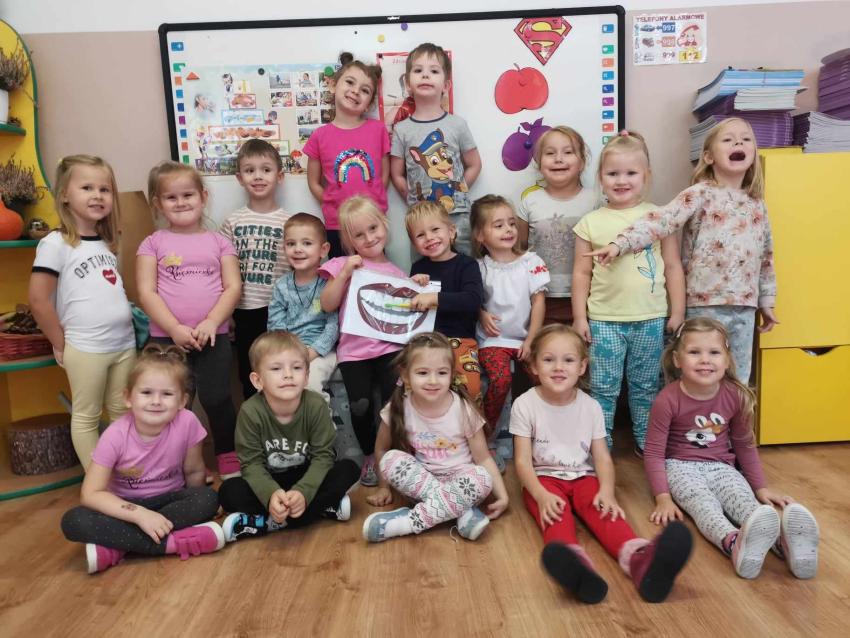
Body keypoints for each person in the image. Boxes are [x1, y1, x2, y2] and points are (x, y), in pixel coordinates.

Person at [586, 118, 778, 383]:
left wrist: (767, 301)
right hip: (703, 303)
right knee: (697, 373)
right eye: (728, 139)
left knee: (738, 377)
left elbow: (766, 255)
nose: (738, 143)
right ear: (708, 156)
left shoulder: (757, 203)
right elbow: (661, 220)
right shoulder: (699, 194)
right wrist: (620, 244)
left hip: (745, 304)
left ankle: (733, 413)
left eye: (746, 139)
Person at [512, 324, 692, 604]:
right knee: (556, 517)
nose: (558, 367)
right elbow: (522, 461)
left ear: (582, 366)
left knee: (605, 512)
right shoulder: (525, 404)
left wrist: (607, 491)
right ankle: (576, 569)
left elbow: (602, 458)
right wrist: (540, 495)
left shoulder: (591, 406)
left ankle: (642, 561)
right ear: (534, 365)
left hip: (583, 476)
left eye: (568, 360)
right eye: (548, 360)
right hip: (544, 480)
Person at [645, 317, 819, 580]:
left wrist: (761, 488)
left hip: (722, 466)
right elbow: (654, 452)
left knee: (745, 502)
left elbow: (744, 445)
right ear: (677, 360)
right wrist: (663, 498)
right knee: (704, 505)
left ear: (727, 360)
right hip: (680, 467)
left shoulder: (735, 396)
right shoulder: (667, 399)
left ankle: (784, 544)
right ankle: (733, 543)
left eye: (714, 353)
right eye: (694, 352)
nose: (705, 360)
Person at [60, 345, 224, 574]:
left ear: (182, 401)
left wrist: (198, 512)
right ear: (128, 398)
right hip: (125, 507)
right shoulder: (115, 435)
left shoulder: (187, 422)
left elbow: (194, 472)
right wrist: (140, 515)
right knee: (74, 520)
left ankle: (119, 547)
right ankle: (172, 544)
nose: (156, 401)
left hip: (169, 501)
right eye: (146, 392)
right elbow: (90, 494)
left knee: (207, 498)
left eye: (167, 394)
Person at [572, 131, 685, 453]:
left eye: (631, 173)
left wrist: (677, 311)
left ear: (645, 175)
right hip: (604, 319)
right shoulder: (590, 222)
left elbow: (673, 266)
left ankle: (646, 441)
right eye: (613, 173)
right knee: (603, 387)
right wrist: (580, 318)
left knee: (646, 386)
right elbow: (582, 273)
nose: (621, 181)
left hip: (650, 318)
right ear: (600, 177)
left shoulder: (659, 219)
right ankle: (601, 443)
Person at [29, 155, 136, 468]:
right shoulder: (55, 243)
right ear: (64, 194)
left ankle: (125, 476)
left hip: (124, 344)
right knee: (87, 416)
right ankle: (97, 480)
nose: (97, 195)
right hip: (86, 346)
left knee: (123, 412)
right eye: (87, 187)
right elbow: (38, 300)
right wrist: (60, 343)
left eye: (104, 189)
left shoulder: (107, 243)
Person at [136, 161, 242, 479]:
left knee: (217, 398)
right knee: (172, 402)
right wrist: (174, 328)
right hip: (166, 340)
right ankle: (181, 463)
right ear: (158, 204)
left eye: (188, 195)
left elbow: (233, 287)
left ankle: (227, 455)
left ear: (203, 196)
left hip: (213, 335)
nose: (181, 202)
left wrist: (212, 322)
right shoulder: (152, 243)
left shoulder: (220, 242)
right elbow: (146, 292)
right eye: (171, 197)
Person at [362, 333, 508, 542]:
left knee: (482, 477)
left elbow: (483, 458)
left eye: (441, 373)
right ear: (405, 375)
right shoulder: (399, 407)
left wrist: (503, 496)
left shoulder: (463, 409)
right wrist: (383, 487)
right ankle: (461, 513)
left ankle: (409, 522)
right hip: (421, 485)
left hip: (462, 484)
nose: (433, 380)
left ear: (451, 375)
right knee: (391, 459)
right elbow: (382, 449)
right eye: (423, 373)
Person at [218, 331, 359, 541]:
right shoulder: (250, 412)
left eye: (296, 368)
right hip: (269, 479)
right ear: (257, 380)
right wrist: (270, 496)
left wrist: (303, 493)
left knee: (349, 469)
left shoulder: (315, 405)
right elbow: (251, 464)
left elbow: (323, 457)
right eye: (276, 368)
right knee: (228, 491)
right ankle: (320, 509)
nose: (288, 375)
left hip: (307, 476)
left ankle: (265, 523)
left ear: (307, 376)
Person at [319, 196, 404, 486]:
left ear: (384, 225)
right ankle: (369, 456)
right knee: (360, 405)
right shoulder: (342, 264)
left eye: (373, 228)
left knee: (396, 403)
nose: (369, 238)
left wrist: (416, 286)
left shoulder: (397, 272)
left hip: (390, 349)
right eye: (359, 234)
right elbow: (327, 304)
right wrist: (345, 272)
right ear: (348, 241)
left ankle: (393, 455)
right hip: (354, 353)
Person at [390, 42, 482, 256]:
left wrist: (459, 190)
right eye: (418, 70)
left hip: (457, 214)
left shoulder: (457, 124)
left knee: (465, 266)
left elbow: (474, 164)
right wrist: (414, 202)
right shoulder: (401, 129)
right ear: (408, 84)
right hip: (421, 220)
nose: (425, 75)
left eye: (433, 71)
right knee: (424, 271)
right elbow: (396, 174)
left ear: (446, 86)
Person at [471, 194, 549, 443]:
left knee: (547, 376)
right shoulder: (478, 268)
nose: (508, 229)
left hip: (526, 338)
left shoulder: (531, 262)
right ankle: (487, 433)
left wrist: (532, 340)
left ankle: (547, 433)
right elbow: (471, 300)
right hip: (493, 341)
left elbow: (538, 302)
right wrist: (481, 313)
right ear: (480, 235)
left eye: (512, 223)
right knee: (500, 379)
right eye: (499, 225)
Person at [219, 139, 292, 400]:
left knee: (281, 370)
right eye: (250, 170)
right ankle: (255, 421)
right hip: (244, 310)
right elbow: (222, 271)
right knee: (249, 374)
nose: (258, 176)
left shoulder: (289, 222)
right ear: (240, 178)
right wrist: (226, 313)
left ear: (279, 176)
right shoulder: (232, 222)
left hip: (280, 310)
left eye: (266, 170)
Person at [304, 53, 390, 258]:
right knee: (340, 273)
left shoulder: (378, 130)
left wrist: (374, 201)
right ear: (333, 86)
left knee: (375, 272)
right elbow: (313, 182)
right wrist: (331, 201)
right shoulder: (319, 136)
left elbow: (384, 175)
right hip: (337, 224)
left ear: (368, 104)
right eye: (350, 82)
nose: (355, 91)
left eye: (365, 90)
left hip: (372, 223)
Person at [517, 126, 598, 324]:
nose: (558, 159)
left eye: (568, 152)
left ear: (582, 162)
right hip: (540, 298)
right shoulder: (529, 202)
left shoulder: (596, 200)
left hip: (588, 297)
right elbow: (519, 250)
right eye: (550, 153)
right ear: (539, 163)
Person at [406, 201, 484, 401]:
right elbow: (410, 310)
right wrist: (411, 287)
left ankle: (471, 422)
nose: (429, 237)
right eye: (420, 235)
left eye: (435, 230)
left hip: (461, 340)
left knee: (471, 390)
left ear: (451, 232)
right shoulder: (418, 269)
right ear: (414, 244)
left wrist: (434, 298)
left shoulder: (467, 265)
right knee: (410, 390)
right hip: (426, 342)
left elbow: (473, 300)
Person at [267, 213, 339, 403]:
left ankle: (320, 420)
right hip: (288, 352)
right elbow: (275, 326)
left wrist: (311, 353)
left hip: (321, 351)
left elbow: (333, 325)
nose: (298, 249)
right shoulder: (281, 285)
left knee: (309, 385)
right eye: (291, 244)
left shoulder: (329, 284)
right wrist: (289, 353)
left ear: (323, 250)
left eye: (307, 243)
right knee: (271, 384)